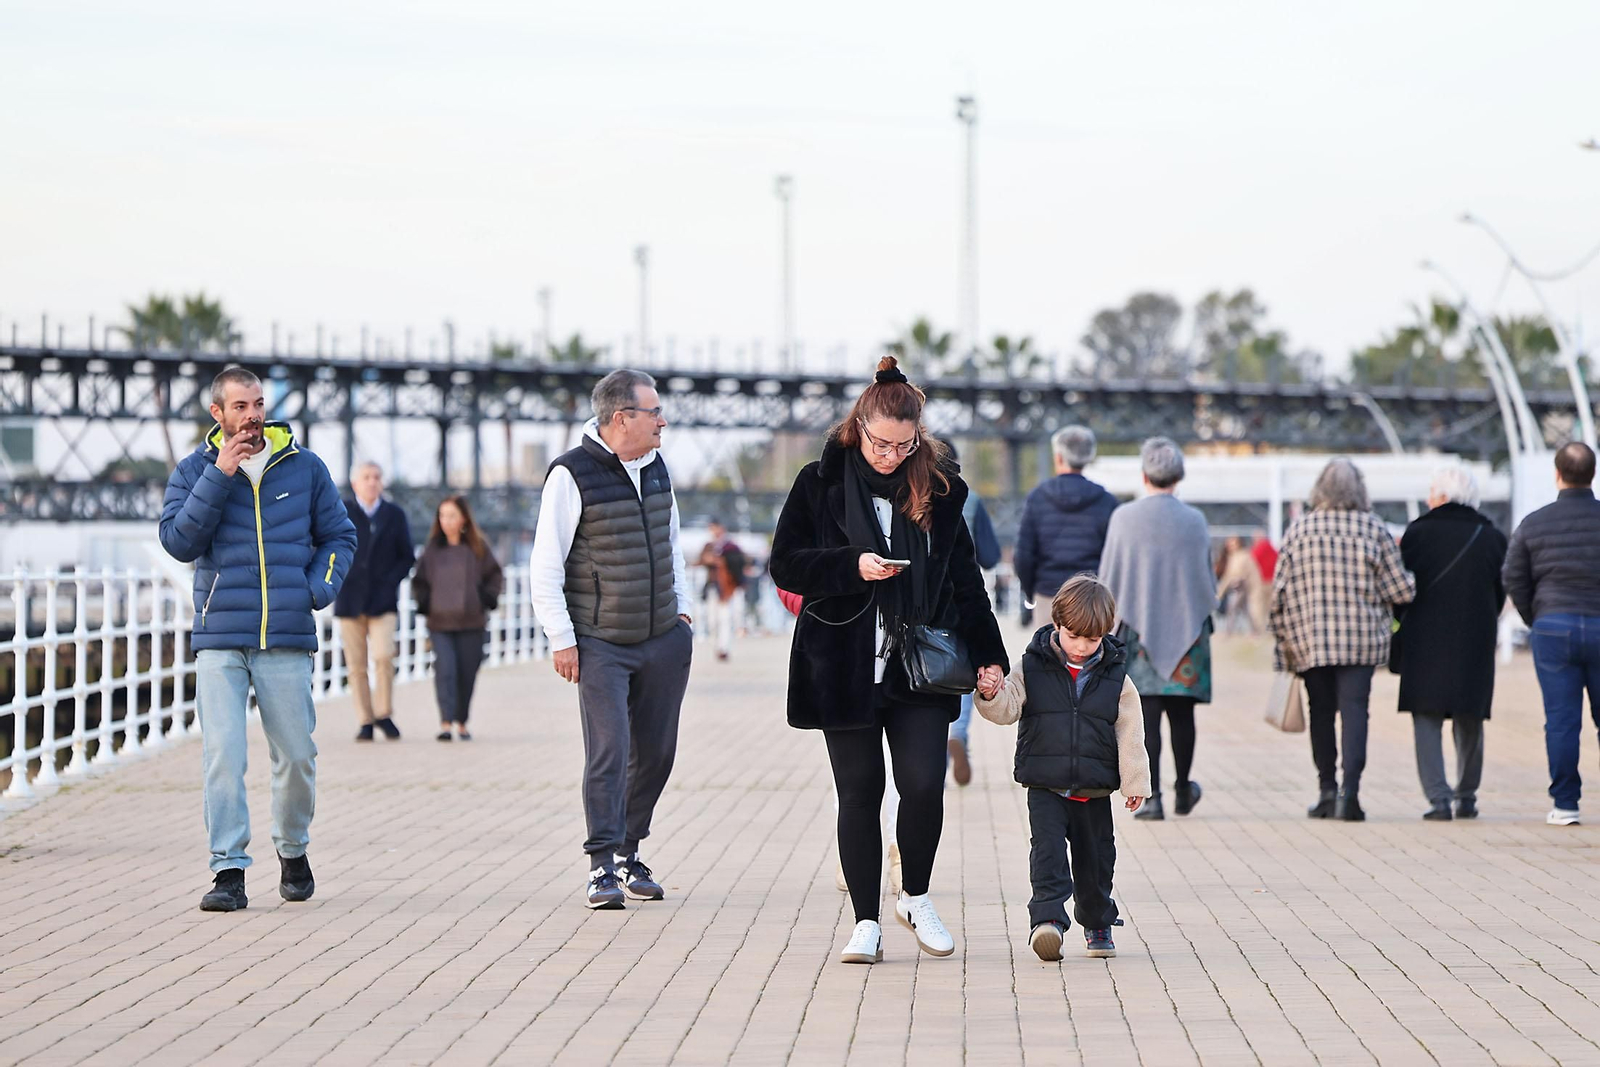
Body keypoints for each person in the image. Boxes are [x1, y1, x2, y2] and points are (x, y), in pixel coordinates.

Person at [769, 355, 1007, 966]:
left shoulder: (941, 490)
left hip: (919, 665)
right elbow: (786, 564)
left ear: (918, 436)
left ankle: (915, 897)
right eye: (881, 443)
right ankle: (865, 923)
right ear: (860, 427)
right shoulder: (818, 482)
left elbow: (966, 581)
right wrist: (851, 565)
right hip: (841, 663)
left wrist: (990, 656)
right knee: (859, 793)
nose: (891, 455)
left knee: (923, 785)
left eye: (904, 445)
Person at [158, 366, 357, 912]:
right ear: (217, 413)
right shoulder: (194, 471)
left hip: (286, 634)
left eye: (258, 404)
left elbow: (339, 535)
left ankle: (293, 849)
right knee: (223, 756)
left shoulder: (305, 467)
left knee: (296, 756)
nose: (252, 415)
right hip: (220, 635)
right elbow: (178, 541)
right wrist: (220, 474)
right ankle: (228, 870)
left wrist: (314, 589)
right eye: (240, 406)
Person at [528, 369, 694, 910]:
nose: (662, 421)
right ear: (622, 418)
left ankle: (629, 850)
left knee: (658, 754)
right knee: (610, 751)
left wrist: (684, 613)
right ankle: (601, 864)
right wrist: (562, 638)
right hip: (601, 641)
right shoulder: (570, 474)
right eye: (654, 412)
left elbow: (671, 544)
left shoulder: (658, 468)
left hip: (663, 637)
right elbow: (545, 564)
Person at [975, 575, 1150, 961]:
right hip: (1046, 786)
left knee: (1096, 863)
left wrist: (1135, 781)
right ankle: (1048, 922)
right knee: (1048, 856)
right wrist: (990, 694)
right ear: (1057, 624)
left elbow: (1130, 730)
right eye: (1074, 637)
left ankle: (1098, 922)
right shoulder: (1031, 666)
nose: (1083, 647)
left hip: (1094, 789)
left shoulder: (1116, 676)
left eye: (1093, 639)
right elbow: (1008, 707)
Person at [1270, 458, 1415, 822]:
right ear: (1359, 490)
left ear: (1319, 489)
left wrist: (1283, 642)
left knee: (1321, 713)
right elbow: (1400, 590)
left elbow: (1278, 595)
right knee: (1355, 712)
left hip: (1310, 640)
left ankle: (1325, 791)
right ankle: (1350, 794)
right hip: (1360, 642)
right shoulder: (1373, 528)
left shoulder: (1299, 530)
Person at [1099, 437, 1215, 822]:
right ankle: (1183, 789)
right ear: (1178, 476)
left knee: (1145, 714)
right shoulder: (1195, 520)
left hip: (1137, 629)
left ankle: (1153, 798)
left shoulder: (1123, 518)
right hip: (1188, 629)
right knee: (1183, 713)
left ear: (1145, 475)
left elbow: (1110, 576)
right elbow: (1206, 581)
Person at [1396, 467, 1507, 820]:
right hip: (1474, 637)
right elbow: (1499, 593)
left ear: (1442, 497)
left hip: (1424, 637)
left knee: (1426, 716)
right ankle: (1467, 796)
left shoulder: (1417, 533)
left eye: (1432, 493)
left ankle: (1438, 799)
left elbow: (1401, 589)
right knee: (1469, 715)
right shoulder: (1491, 537)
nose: (1428, 499)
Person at [1503, 442, 1600, 826]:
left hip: (1553, 627)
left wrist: (1537, 618)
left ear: (1557, 474)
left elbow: (1513, 576)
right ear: (1592, 474)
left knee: (1561, 721)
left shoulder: (1534, 523)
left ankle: (1565, 804)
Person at [411, 495, 504, 742]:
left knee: (466, 672)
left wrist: (484, 598)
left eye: (452, 515)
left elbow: (495, 575)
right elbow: (419, 580)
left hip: (471, 621)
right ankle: (445, 723)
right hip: (440, 622)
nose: (447, 521)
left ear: (463, 518)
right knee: (445, 670)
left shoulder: (478, 547)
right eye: (442, 516)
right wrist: (426, 602)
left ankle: (461, 722)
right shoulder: (432, 549)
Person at [334, 461, 414, 742]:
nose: (372, 482)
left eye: (377, 477)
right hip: (349, 599)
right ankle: (365, 720)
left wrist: (390, 582)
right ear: (355, 483)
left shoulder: (394, 514)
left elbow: (407, 556)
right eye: (366, 477)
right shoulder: (340, 511)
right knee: (356, 665)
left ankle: (383, 713)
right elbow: (327, 546)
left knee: (383, 656)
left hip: (383, 600)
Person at [1013, 425, 1117, 624]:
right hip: (1091, 598)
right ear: (1088, 457)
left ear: (1059, 457)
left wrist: (1030, 591)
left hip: (1048, 594)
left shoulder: (1038, 497)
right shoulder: (1106, 501)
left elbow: (1023, 555)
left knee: (1047, 644)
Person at [944, 440, 1002, 787]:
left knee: (931, 674)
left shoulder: (906, 494)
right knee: (964, 674)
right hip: (965, 600)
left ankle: (933, 757)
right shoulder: (971, 498)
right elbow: (991, 556)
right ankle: (958, 733)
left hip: (925, 610)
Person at [699, 520, 746, 661]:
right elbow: (701, 560)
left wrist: (722, 562)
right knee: (712, 620)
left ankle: (724, 648)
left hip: (727, 587)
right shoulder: (709, 546)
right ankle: (716, 646)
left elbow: (738, 565)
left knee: (725, 619)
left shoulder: (731, 547)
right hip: (713, 586)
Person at [1215, 535, 1265, 635]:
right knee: (1244, 610)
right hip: (1235, 586)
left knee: (1233, 608)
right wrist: (1220, 593)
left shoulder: (1244, 556)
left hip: (1242, 586)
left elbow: (1252, 573)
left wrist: (1254, 588)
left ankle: (1229, 631)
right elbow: (1227, 577)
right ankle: (1254, 630)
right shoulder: (1231, 557)